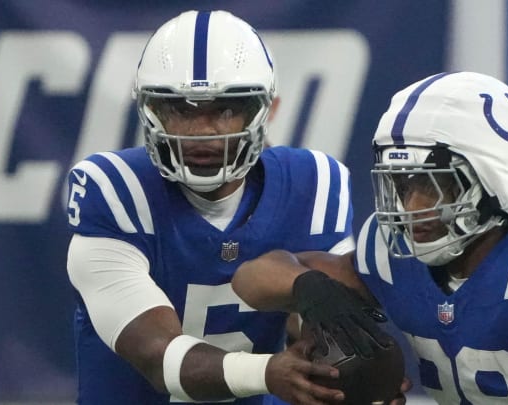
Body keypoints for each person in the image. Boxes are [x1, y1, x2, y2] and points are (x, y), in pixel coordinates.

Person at [232, 71, 508, 404]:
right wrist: (311, 289)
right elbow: (252, 278)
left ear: (491, 180)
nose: (412, 206)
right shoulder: (394, 254)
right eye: (404, 185)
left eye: (435, 184)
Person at [65, 9, 358, 404]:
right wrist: (267, 372)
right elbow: (157, 354)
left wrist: (357, 376)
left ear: (263, 110)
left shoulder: (313, 185)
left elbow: (334, 330)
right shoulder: (115, 191)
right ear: (150, 111)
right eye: (182, 110)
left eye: (224, 109)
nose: (203, 131)